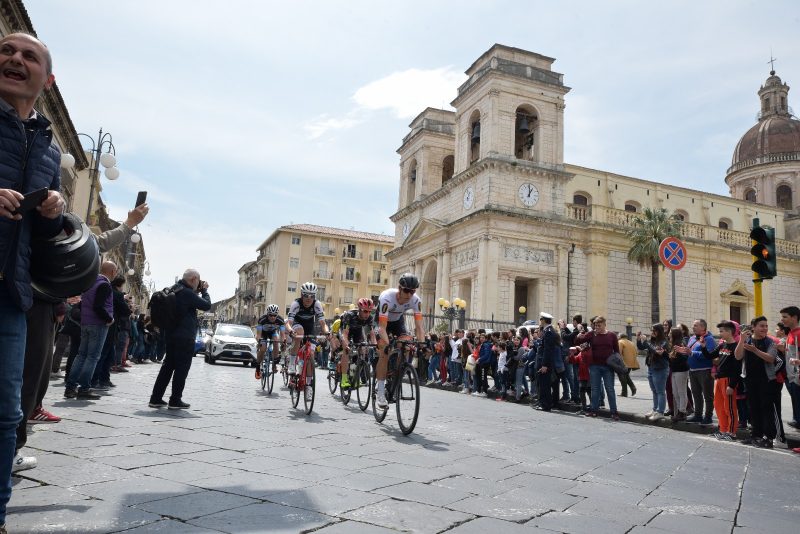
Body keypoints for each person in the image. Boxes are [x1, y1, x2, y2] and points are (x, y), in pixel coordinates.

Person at [149, 269, 211, 409]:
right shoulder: (187, 293)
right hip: (184, 337)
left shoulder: (174, 289)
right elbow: (206, 305)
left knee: (167, 367)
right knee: (181, 369)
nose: (199, 284)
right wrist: (205, 291)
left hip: (171, 335)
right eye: (198, 281)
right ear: (194, 279)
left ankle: (155, 398)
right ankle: (175, 400)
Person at [64, 261, 118, 400]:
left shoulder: (91, 283)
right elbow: (98, 306)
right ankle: (84, 388)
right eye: (116, 271)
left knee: (81, 355)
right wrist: (109, 319)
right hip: (98, 324)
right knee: (92, 357)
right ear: (112, 272)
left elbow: (83, 304)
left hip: (86, 323)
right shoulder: (104, 285)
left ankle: (70, 388)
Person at [375, 273, 425, 409]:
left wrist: (422, 344)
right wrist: (387, 345)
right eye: (406, 290)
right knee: (384, 352)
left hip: (398, 321)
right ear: (399, 288)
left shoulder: (416, 300)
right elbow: (382, 328)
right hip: (382, 323)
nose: (409, 295)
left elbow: (419, 327)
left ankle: (397, 373)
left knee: (407, 346)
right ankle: (380, 392)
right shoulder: (387, 298)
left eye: (413, 291)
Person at [735, 316, 780, 448]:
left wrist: (755, 350)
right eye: (761, 326)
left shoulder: (770, 342)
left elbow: (771, 358)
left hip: (766, 380)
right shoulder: (747, 340)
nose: (764, 328)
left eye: (766, 326)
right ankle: (756, 435)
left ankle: (768, 438)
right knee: (753, 408)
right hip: (750, 379)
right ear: (753, 327)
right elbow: (738, 356)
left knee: (766, 409)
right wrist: (742, 340)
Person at [284, 282, 329, 398]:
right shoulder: (296, 304)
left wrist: (327, 332)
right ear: (301, 295)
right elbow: (288, 323)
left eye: (312, 296)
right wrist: (290, 331)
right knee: (300, 333)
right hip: (297, 326)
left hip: (310, 329)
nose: (309, 298)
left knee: (311, 356)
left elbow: (323, 324)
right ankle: (292, 364)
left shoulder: (317, 304)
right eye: (306, 295)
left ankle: (308, 385)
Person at [701, 321, 741, 441]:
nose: (720, 333)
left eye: (722, 331)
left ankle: (732, 432)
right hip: (719, 379)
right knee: (719, 406)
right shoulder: (722, 345)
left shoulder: (736, 347)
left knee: (729, 407)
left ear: (729, 332)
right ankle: (723, 430)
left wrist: (732, 385)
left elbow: (737, 369)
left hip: (728, 380)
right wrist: (703, 347)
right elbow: (710, 356)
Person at [339, 298, 377, 389]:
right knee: (346, 350)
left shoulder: (369, 318)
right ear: (359, 309)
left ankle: (355, 375)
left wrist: (375, 345)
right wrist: (347, 345)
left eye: (369, 311)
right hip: (345, 330)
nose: (367, 314)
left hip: (357, 330)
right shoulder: (350, 315)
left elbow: (372, 334)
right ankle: (344, 379)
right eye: (365, 311)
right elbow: (345, 333)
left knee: (362, 349)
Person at [638, 323, 669, 420]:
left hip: (660, 368)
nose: (652, 332)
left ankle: (660, 412)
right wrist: (639, 339)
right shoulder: (653, 340)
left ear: (659, 331)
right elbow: (642, 347)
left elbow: (656, 351)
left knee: (660, 391)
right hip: (651, 367)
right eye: (651, 330)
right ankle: (655, 409)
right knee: (654, 391)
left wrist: (646, 341)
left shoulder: (664, 341)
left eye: (654, 331)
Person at [535, 312, 559, 412]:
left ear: (543, 320)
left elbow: (547, 350)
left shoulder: (548, 332)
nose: (540, 322)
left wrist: (544, 365)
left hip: (545, 363)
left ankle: (545, 405)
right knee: (543, 384)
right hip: (543, 361)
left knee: (545, 385)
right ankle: (543, 403)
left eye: (541, 319)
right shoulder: (547, 330)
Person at [254, 304, 285, 380]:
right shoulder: (262, 319)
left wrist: (283, 342)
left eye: (275, 315)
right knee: (263, 348)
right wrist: (259, 341)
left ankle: (274, 364)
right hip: (263, 334)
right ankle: (258, 366)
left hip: (273, 333)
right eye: (270, 315)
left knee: (276, 340)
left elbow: (282, 334)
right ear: (267, 314)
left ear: (277, 315)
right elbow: (258, 335)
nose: (272, 317)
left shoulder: (280, 320)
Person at [668, 327, 690, 422]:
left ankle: (682, 412)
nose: (668, 334)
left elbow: (685, 358)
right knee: (675, 392)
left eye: (670, 333)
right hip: (674, 370)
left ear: (674, 334)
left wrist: (678, 355)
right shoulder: (673, 344)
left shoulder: (681, 344)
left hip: (681, 371)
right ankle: (679, 412)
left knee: (681, 392)